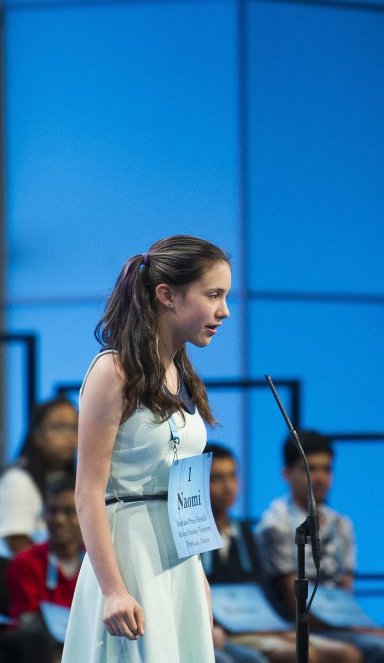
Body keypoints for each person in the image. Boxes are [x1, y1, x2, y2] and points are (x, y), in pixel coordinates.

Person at [61, 235, 232, 661]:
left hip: (178, 561)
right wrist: (114, 590)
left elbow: (184, 489)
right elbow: (87, 492)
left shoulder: (184, 374)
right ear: (167, 296)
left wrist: (198, 577)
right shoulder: (112, 371)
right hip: (129, 556)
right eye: (213, 295)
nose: (223, 311)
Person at [256, 432, 384, 663]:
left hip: (345, 624)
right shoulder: (276, 525)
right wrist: (368, 632)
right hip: (304, 626)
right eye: (310, 469)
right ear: (286, 474)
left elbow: (346, 596)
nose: (320, 478)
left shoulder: (341, 524)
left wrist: (367, 628)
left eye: (327, 469)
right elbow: (297, 605)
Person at [203, 442, 362, 663]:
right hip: (224, 629)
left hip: (259, 624)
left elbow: (261, 591)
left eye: (233, 476)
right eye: (216, 479)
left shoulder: (245, 533)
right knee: (303, 655)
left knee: (347, 654)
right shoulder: (194, 536)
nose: (229, 487)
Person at [3, 476, 83, 661]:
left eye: (68, 511)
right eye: (52, 511)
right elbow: (28, 628)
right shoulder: (25, 563)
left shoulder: (94, 562)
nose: (59, 519)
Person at [0, 397, 78, 558]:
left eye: (75, 428)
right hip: (29, 578)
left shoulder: (78, 481)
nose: (70, 436)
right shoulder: (17, 481)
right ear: (37, 435)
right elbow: (17, 541)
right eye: (59, 427)